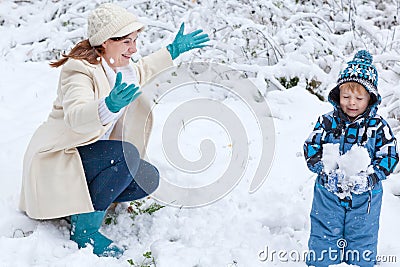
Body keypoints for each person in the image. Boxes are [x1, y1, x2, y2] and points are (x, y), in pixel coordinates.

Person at [19, 3, 209, 258]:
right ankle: (84, 230)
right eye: (127, 42)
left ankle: (78, 205)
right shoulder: (79, 71)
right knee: (124, 155)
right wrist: (106, 106)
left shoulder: (120, 68)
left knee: (147, 177)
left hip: (88, 157)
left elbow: (144, 70)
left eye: (135, 40)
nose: (134, 48)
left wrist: (172, 51)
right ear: (106, 42)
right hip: (62, 158)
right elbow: (76, 116)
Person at [303, 50, 399, 266]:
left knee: (362, 240)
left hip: (365, 198)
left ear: (370, 99)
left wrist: (371, 178)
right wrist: (324, 170)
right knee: (324, 236)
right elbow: (311, 146)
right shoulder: (327, 122)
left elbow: (390, 155)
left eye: (359, 98)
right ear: (338, 96)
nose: (352, 103)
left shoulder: (378, 127)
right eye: (346, 97)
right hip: (328, 195)